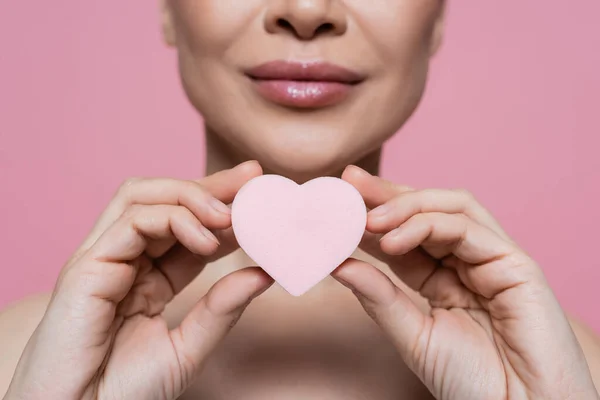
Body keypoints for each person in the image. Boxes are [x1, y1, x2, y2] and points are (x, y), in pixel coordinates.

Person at [1, 1, 600, 399]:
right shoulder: (24, 368)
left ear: (439, 15)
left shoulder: (566, 376)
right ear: (165, 6)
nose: (308, 11)